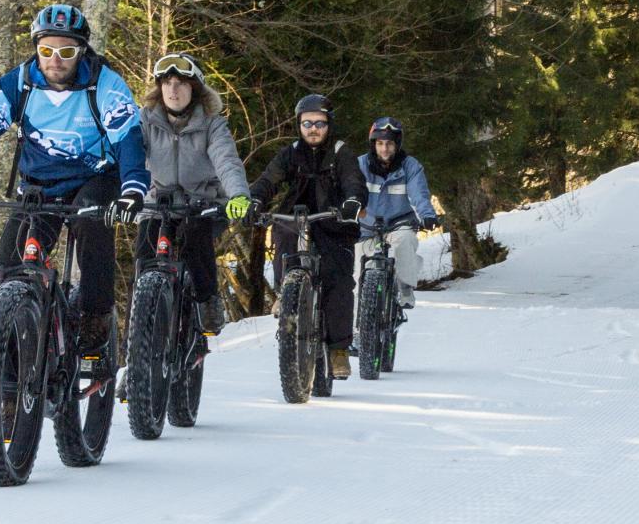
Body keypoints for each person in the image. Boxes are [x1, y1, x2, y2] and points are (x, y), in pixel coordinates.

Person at [0, 4, 147, 360]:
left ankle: (95, 314)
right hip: (39, 183)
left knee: (89, 225)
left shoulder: (105, 84)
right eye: (46, 51)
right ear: (36, 50)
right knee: (10, 261)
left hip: (96, 178)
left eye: (66, 51)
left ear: (82, 51)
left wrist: (133, 188)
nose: (55, 60)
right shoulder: (20, 82)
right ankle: (10, 375)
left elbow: (129, 139)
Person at [248, 92, 366, 381]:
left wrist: (352, 202)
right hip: (296, 216)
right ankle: (286, 292)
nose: (313, 129)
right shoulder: (290, 152)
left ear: (329, 125)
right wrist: (255, 200)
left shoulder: (341, 152)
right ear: (299, 125)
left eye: (320, 123)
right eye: (307, 123)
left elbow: (354, 181)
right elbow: (268, 180)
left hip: (332, 220)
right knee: (284, 239)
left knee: (338, 277)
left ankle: (339, 348)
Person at [137, 53, 252, 333]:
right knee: (145, 247)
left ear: (196, 89)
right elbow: (127, 157)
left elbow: (227, 161)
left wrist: (238, 195)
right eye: (166, 82)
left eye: (181, 83)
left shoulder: (212, 124)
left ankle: (206, 301)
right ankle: (141, 315)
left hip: (203, 204)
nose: (173, 90)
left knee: (194, 237)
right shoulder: (145, 120)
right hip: (158, 203)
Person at [355, 115, 437, 314]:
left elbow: (419, 194)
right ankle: (360, 327)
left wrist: (427, 215)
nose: (384, 149)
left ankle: (405, 288)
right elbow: (349, 191)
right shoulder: (360, 164)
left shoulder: (410, 166)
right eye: (380, 143)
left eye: (390, 144)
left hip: (398, 224)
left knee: (405, 242)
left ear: (397, 144)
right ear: (373, 143)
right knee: (358, 275)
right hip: (366, 227)